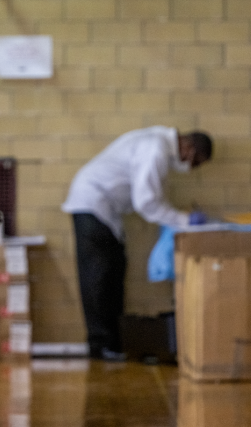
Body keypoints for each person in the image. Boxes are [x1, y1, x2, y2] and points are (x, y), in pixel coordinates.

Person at [61, 127, 213, 360]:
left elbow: (150, 197)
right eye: (196, 163)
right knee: (99, 277)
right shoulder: (156, 150)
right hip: (92, 204)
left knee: (112, 272)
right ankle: (102, 345)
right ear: (189, 149)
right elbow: (146, 203)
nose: (191, 168)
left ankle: (112, 343)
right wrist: (184, 220)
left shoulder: (155, 143)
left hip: (100, 209)